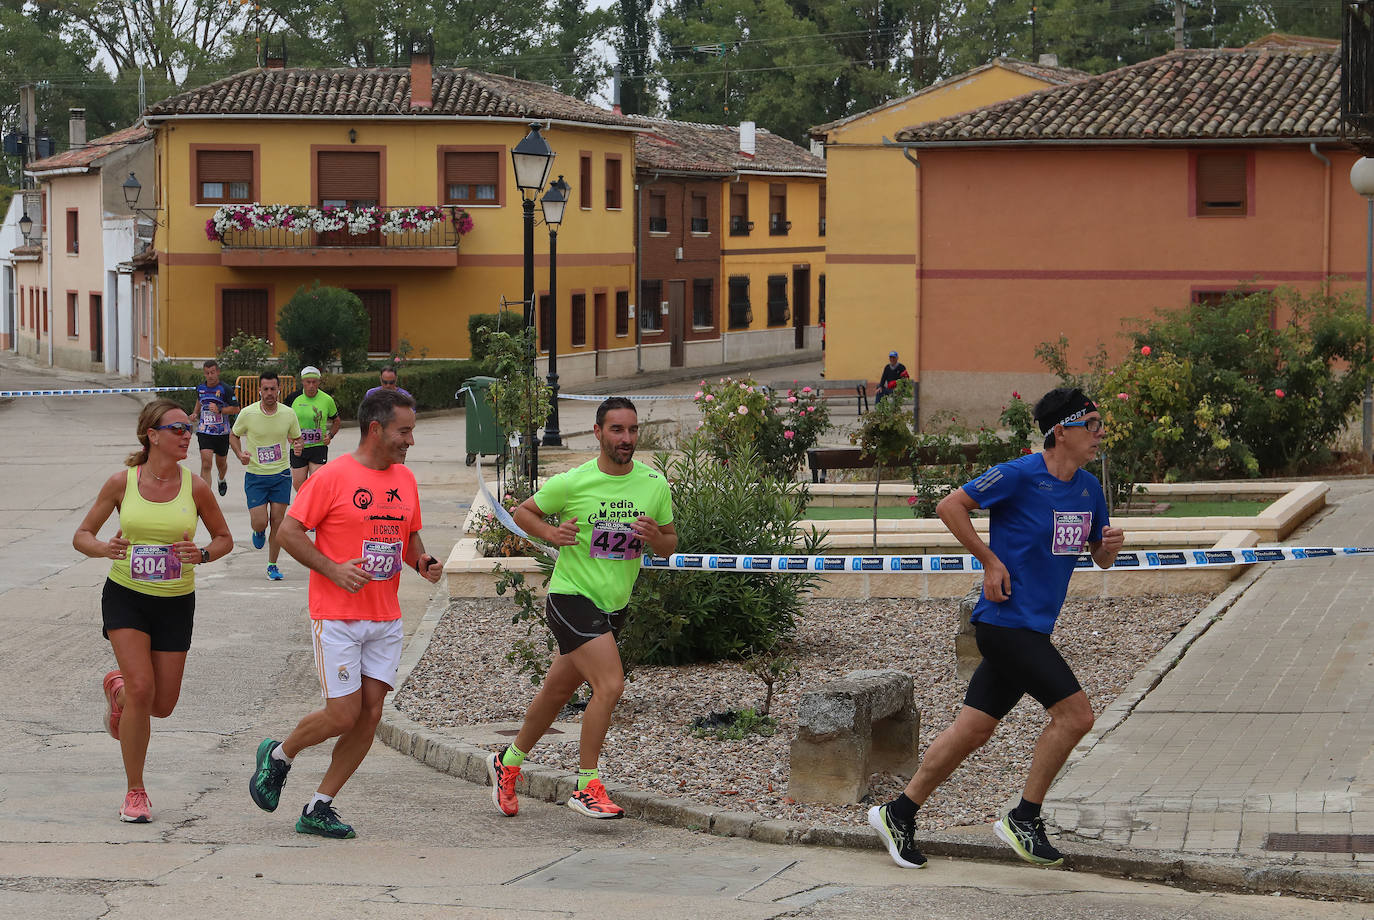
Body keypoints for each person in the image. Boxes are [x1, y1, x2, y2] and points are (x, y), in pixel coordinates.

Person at [868, 387, 1124, 870]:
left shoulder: (1090, 488)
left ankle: (899, 813)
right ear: (1061, 431)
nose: (1100, 433)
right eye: (1091, 424)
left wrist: (1110, 544)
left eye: (1099, 423)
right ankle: (1023, 819)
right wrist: (988, 561)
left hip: (1034, 628)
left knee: (973, 728)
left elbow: (1100, 558)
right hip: (1006, 625)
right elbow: (950, 506)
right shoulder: (1018, 475)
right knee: (1076, 717)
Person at [247, 389, 443, 839]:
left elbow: (409, 537)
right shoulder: (332, 477)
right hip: (336, 615)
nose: (410, 440)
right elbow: (290, 531)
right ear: (376, 428)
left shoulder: (405, 480)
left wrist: (422, 563)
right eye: (404, 430)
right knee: (342, 714)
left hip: (385, 617)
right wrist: (332, 568)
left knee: (370, 714)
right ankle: (279, 754)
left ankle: (319, 806)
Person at [489, 397, 677, 820]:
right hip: (571, 596)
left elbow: (669, 544)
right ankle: (586, 784)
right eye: (616, 430)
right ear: (597, 432)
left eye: (631, 430)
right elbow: (523, 513)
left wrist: (654, 537)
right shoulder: (574, 482)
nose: (626, 439)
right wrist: (553, 534)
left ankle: (508, 761)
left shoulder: (653, 484)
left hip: (614, 605)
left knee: (557, 691)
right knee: (610, 685)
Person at [72, 399, 233, 823]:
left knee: (161, 705)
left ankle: (117, 690)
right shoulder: (121, 483)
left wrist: (201, 553)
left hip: (176, 601)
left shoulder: (195, 487)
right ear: (153, 434)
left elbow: (223, 539)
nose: (187, 436)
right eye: (178, 429)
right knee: (144, 690)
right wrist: (104, 548)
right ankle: (135, 792)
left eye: (189, 430)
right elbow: (82, 535)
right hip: (126, 595)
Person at [230, 370, 303, 581]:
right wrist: (239, 453)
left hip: (280, 475)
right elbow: (233, 435)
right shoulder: (248, 413)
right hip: (256, 476)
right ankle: (258, 531)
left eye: (273, 389)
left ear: (279, 390)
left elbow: (296, 439)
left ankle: (272, 565)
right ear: (259, 391)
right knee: (260, 521)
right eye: (266, 389)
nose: (270, 393)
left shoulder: (288, 414)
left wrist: (298, 447)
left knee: (277, 522)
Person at [285, 366, 340, 493]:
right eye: (308, 382)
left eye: (314, 382)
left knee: (317, 483)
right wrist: (289, 437)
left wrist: (330, 435)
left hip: (318, 447)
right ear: (302, 382)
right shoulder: (293, 398)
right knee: (299, 485)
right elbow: (284, 420)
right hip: (299, 447)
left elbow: (336, 420)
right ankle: (304, 507)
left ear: (319, 382)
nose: (311, 385)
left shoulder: (327, 399)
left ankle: (314, 509)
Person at [193, 359, 239, 496]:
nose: (210, 376)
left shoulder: (225, 389)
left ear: (218, 372)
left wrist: (220, 409)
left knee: (221, 464)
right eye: (207, 373)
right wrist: (195, 413)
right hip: (204, 431)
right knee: (206, 463)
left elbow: (236, 409)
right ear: (204, 374)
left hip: (221, 433)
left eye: (212, 372)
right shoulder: (200, 388)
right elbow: (199, 401)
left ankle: (221, 479)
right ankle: (205, 496)